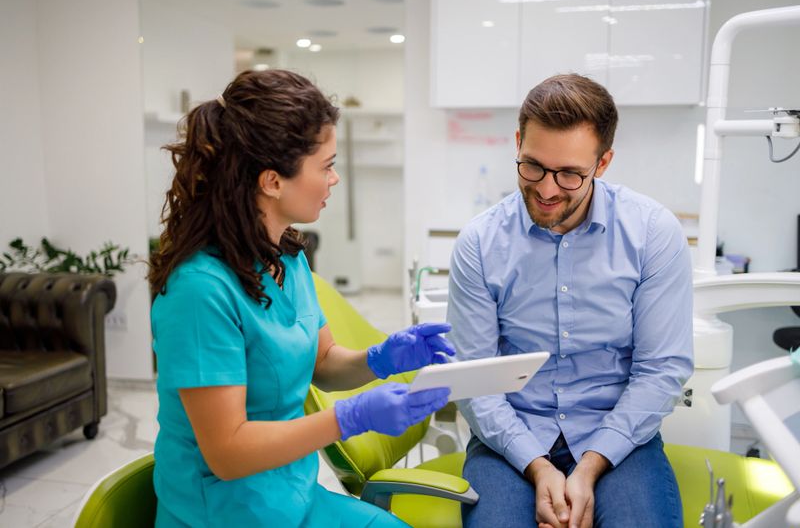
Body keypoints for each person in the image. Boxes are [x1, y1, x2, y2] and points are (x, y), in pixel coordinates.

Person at [148, 69, 454, 527]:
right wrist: (350, 418)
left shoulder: (288, 256)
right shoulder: (200, 291)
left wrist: (383, 357)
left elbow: (323, 362)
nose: (334, 179)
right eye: (326, 165)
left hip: (292, 497)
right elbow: (227, 453)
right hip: (225, 514)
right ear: (272, 181)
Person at [447, 74, 693, 528]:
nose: (546, 189)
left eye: (570, 174)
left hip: (619, 435)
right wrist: (538, 465)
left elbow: (661, 369)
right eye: (532, 165)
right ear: (518, 142)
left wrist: (591, 465)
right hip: (510, 439)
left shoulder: (652, 233)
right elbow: (476, 381)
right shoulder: (480, 243)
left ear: (603, 163)